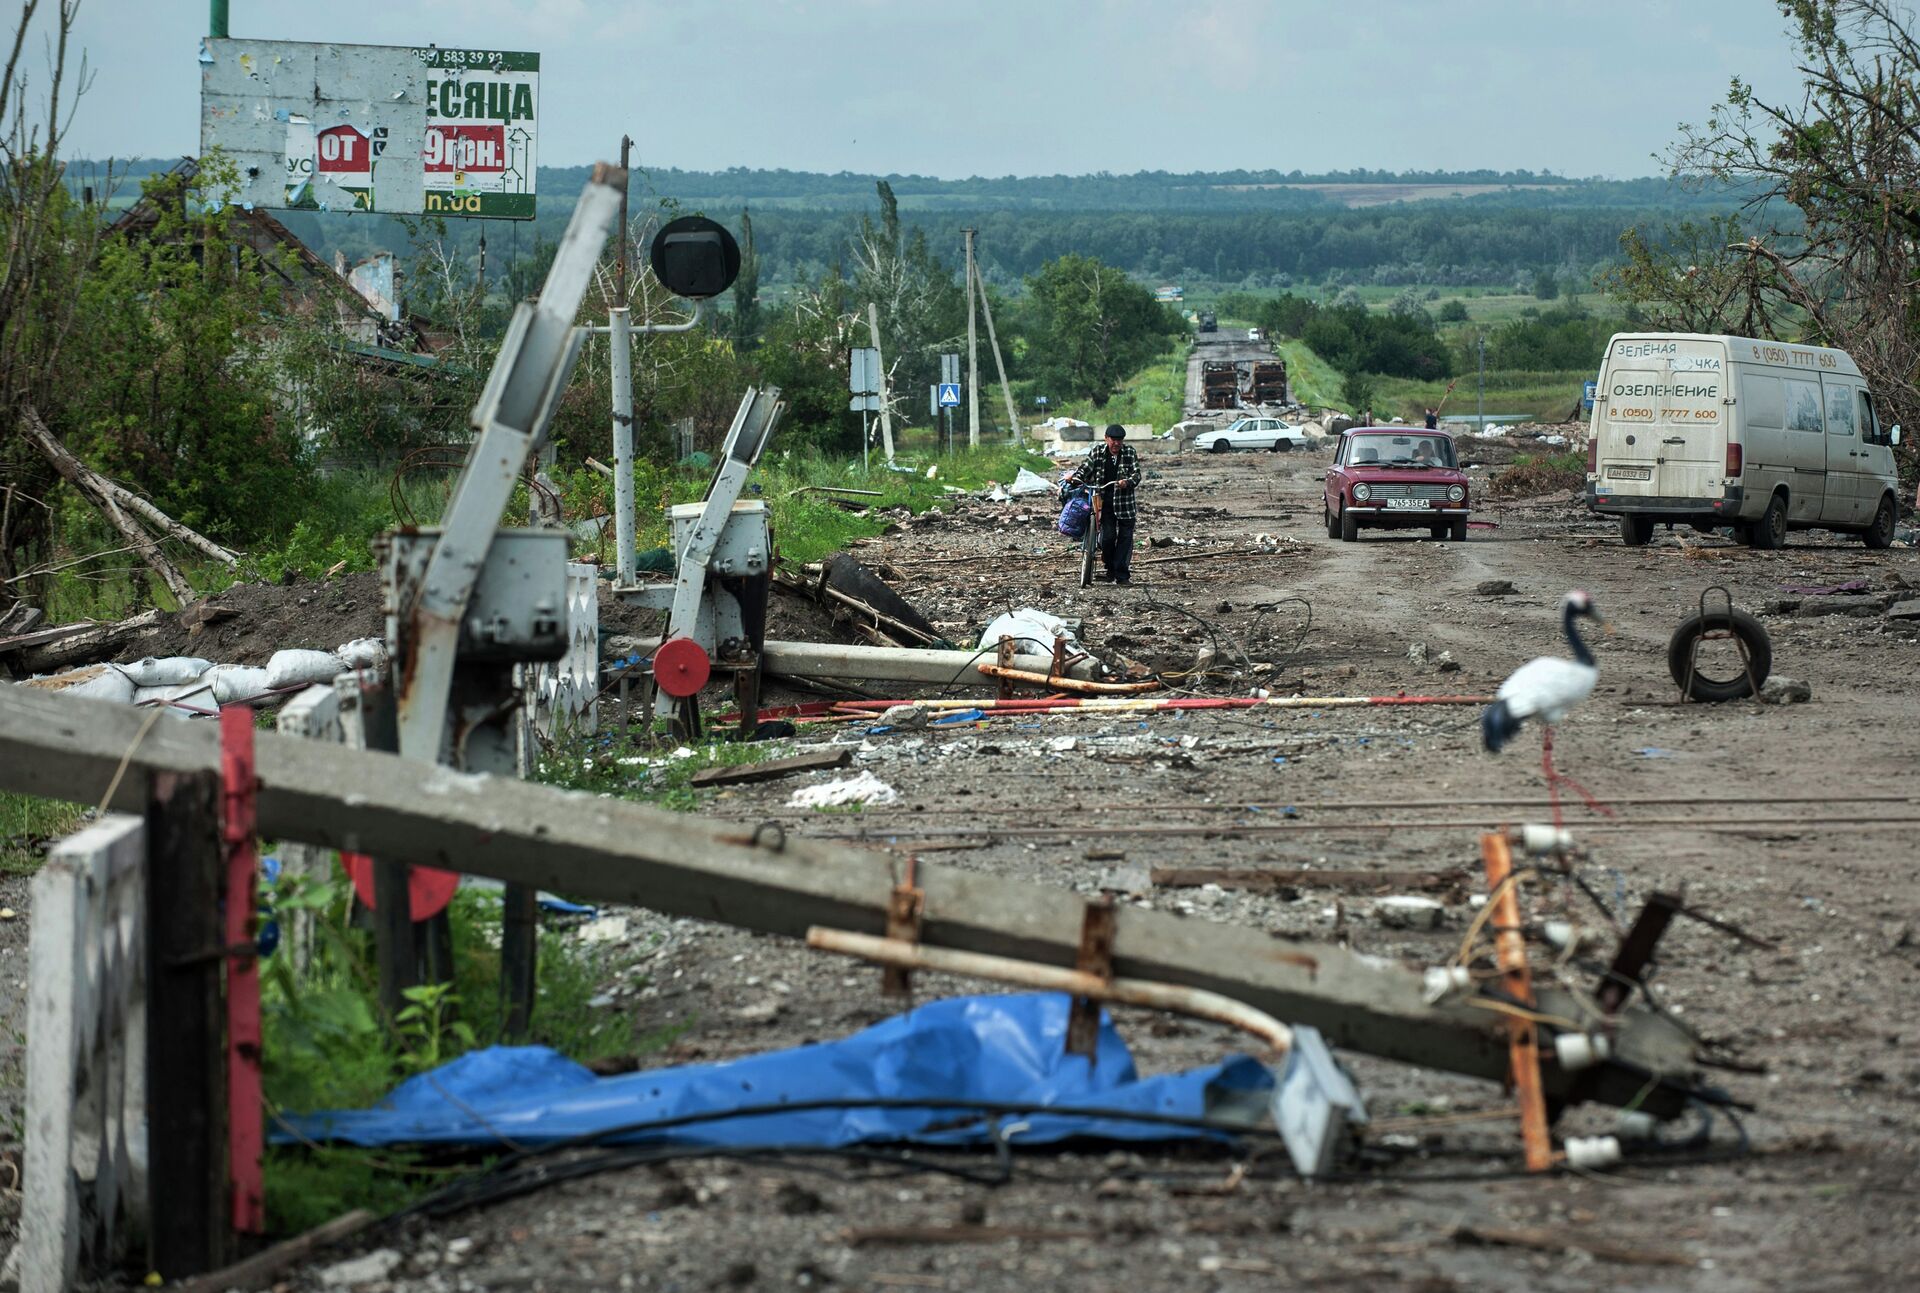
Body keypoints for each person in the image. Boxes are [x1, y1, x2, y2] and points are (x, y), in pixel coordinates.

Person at [1067, 424, 1142, 584]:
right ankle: (1110, 566)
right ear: (1106, 439)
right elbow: (1085, 468)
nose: (1116, 444)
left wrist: (1127, 482)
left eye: (1119, 441)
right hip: (1105, 503)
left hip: (1125, 505)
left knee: (1125, 539)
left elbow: (1136, 474)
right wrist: (1076, 478)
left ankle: (1122, 576)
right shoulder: (1097, 452)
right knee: (1107, 538)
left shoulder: (1130, 452)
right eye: (1113, 440)